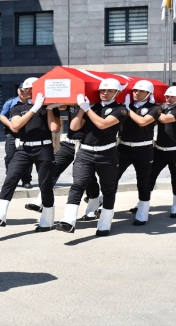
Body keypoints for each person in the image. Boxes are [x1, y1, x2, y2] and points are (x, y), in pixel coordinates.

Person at [0, 77, 61, 231]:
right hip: (24, 149)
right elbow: (16, 125)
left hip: (44, 148)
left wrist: (49, 109)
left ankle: (47, 220)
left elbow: (54, 128)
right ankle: (0, 214)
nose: (29, 92)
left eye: (33, 89)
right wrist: (34, 109)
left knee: (45, 184)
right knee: (10, 178)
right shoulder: (18, 107)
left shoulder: (49, 107)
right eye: (27, 89)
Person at [56, 79, 128, 235]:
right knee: (78, 185)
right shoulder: (91, 107)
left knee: (108, 189)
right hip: (85, 152)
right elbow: (74, 127)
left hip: (107, 154)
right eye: (102, 90)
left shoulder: (121, 110)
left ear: (117, 93)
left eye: (109, 90)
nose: (104, 93)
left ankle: (105, 223)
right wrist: (82, 109)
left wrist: (87, 108)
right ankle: (68, 221)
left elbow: (103, 124)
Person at [24, 103, 103, 221]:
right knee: (53, 168)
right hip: (69, 143)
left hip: (86, 144)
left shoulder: (95, 105)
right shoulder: (74, 101)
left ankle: (92, 208)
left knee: (88, 177)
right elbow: (60, 105)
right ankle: (41, 199)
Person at [115, 80, 162, 226]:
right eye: (135, 90)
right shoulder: (123, 107)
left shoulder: (155, 108)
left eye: (141, 91)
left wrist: (127, 110)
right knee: (111, 177)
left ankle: (142, 213)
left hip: (143, 148)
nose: (136, 93)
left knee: (143, 181)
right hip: (123, 148)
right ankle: (102, 204)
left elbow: (143, 122)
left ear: (148, 94)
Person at [147, 86, 176, 218]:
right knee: (149, 177)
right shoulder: (163, 110)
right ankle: (143, 203)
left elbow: (165, 119)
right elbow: (154, 122)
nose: (168, 98)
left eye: (171, 96)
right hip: (159, 150)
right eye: (166, 96)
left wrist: (154, 108)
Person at [0, 84, 33, 189]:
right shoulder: (10, 102)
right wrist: (11, 125)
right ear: (18, 91)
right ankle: (10, 177)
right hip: (12, 132)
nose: (23, 92)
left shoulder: (33, 103)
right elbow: (2, 116)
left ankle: (26, 180)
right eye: (21, 90)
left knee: (27, 157)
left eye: (25, 90)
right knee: (10, 155)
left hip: (27, 133)